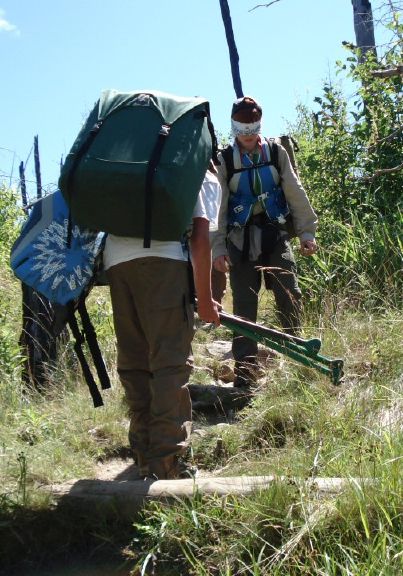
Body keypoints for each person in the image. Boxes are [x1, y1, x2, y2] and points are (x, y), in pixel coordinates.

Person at [104, 162, 221, 480]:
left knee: (135, 361)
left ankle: (143, 453)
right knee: (170, 363)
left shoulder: (133, 163)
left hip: (116, 260)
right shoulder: (198, 171)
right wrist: (206, 300)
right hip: (164, 260)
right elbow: (199, 237)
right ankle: (168, 463)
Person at [212, 96, 318, 389]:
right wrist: (217, 248)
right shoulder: (224, 161)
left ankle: (300, 359)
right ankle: (245, 373)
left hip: (275, 235)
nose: (247, 133)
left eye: (252, 126)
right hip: (239, 242)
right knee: (245, 307)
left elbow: (294, 191)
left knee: (289, 292)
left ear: (260, 124)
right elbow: (217, 208)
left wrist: (307, 231)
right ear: (234, 127)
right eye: (242, 127)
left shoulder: (275, 151)